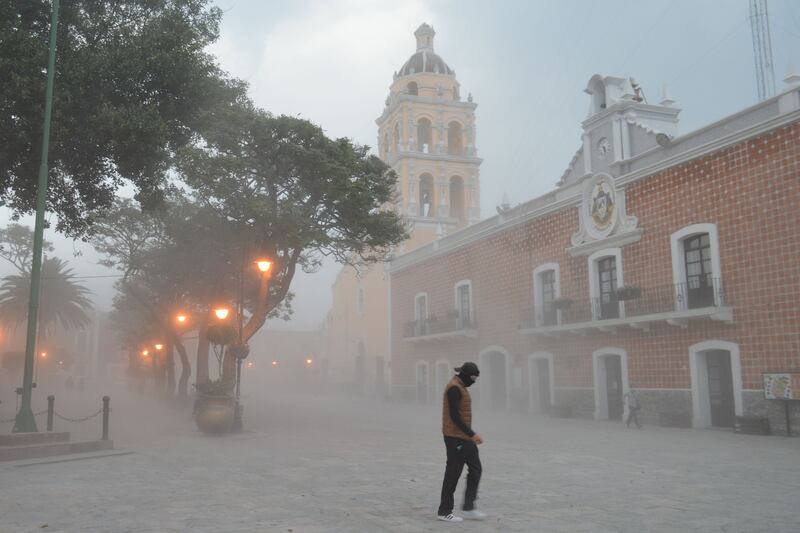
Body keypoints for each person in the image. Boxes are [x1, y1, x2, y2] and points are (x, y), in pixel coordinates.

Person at [437, 362, 486, 523]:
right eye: (473, 377)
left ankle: (468, 507)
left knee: (476, 468)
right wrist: (472, 434)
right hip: (455, 437)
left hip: (464, 438)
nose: (474, 381)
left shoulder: (461, 386)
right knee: (453, 472)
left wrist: (469, 436)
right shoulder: (454, 388)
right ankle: (444, 511)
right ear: (465, 375)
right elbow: (454, 416)